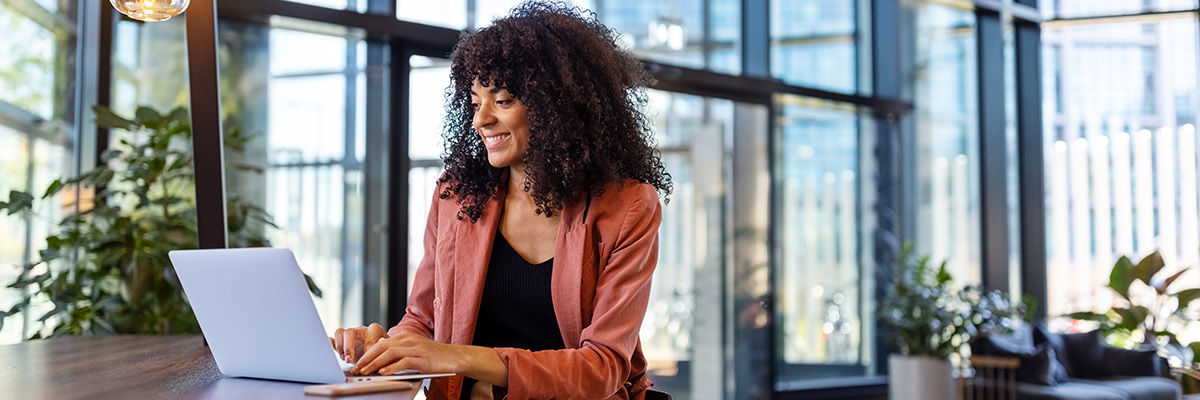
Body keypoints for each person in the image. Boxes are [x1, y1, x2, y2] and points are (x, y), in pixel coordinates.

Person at [331, 2, 672, 399]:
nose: (481, 119)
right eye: (475, 103)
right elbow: (422, 322)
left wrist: (458, 358)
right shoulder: (456, 196)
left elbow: (602, 367)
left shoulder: (627, 206)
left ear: (555, 106)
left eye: (503, 100)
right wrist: (383, 346)